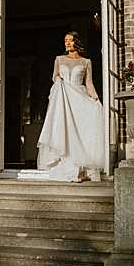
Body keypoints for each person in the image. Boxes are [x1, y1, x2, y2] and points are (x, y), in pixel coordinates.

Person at [36, 32, 106, 181]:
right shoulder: (59, 59)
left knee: (79, 133)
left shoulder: (86, 62)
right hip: (63, 99)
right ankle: (68, 168)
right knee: (65, 131)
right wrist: (59, 82)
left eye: (70, 40)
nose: (67, 43)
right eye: (65, 41)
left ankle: (81, 168)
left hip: (79, 100)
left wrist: (96, 99)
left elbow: (89, 83)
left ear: (77, 42)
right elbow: (55, 77)